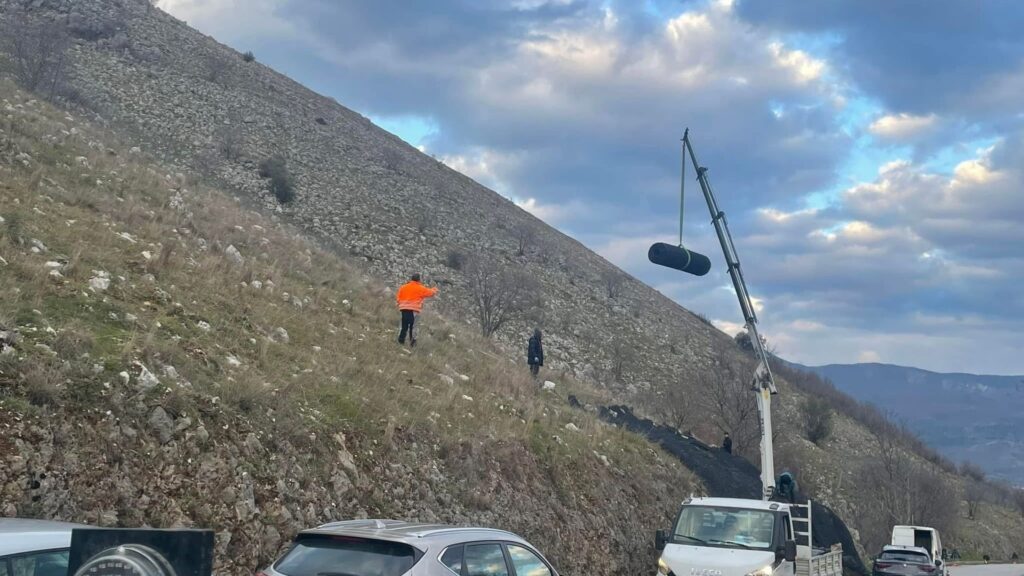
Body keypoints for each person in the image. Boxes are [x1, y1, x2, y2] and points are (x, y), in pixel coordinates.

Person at [396, 273, 438, 347]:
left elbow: (398, 298)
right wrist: (435, 289)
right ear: (419, 280)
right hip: (414, 310)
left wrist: (402, 304)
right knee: (413, 327)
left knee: (404, 326)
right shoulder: (420, 288)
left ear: (411, 279)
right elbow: (430, 293)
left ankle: (400, 341)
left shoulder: (403, 287)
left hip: (403, 309)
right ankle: (413, 344)